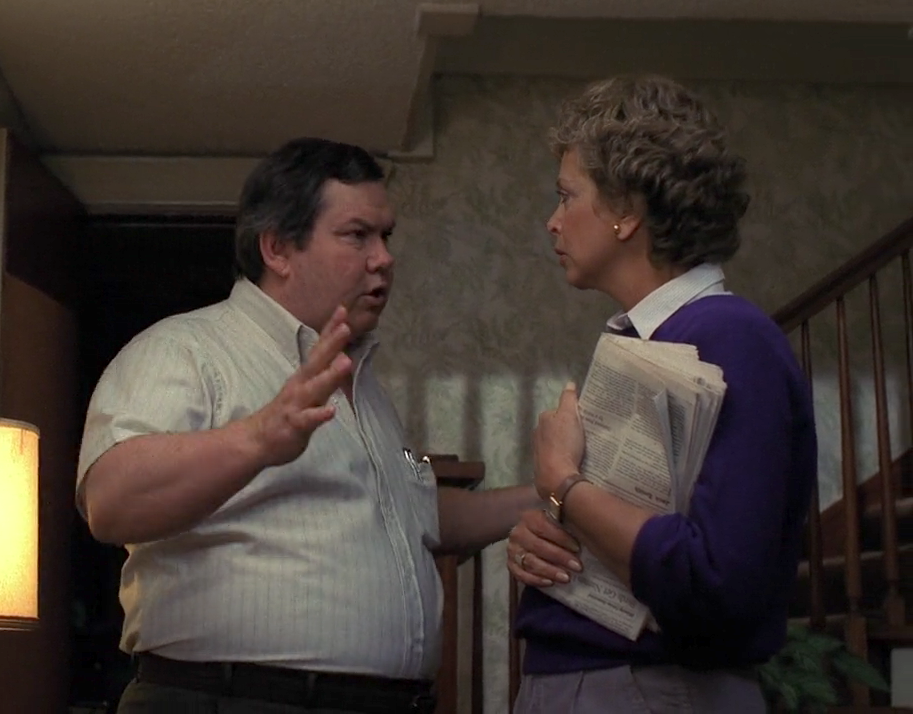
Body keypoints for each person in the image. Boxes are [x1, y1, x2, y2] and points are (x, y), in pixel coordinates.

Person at [77, 137, 540, 714]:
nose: (384, 258)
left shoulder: (360, 383)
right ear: (278, 248)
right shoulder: (184, 351)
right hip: (229, 699)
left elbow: (413, 513)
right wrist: (258, 438)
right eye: (357, 235)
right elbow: (111, 501)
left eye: (386, 236)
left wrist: (551, 497)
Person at [507, 75, 817, 712]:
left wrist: (563, 482)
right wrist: (549, 534)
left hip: (651, 685)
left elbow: (719, 578)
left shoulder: (730, 337)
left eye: (567, 196)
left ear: (627, 210)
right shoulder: (653, 338)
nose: (552, 221)